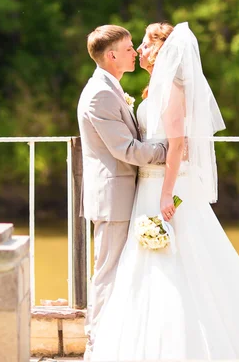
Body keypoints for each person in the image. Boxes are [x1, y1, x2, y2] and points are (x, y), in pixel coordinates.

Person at [91, 21, 239, 360]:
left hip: (164, 186)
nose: (139, 50)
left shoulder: (172, 88)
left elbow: (177, 145)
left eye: (143, 43)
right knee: (150, 264)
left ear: (160, 49)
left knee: (181, 259)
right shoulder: (155, 86)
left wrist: (167, 194)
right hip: (149, 185)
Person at [77, 25, 167, 361]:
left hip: (125, 195)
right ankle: (96, 343)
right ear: (112, 55)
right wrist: (166, 151)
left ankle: (118, 342)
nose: (134, 52)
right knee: (108, 271)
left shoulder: (111, 88)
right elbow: (125, 149)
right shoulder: (99, 94)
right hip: (113, 199)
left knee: (120, 270)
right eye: (129, 48)